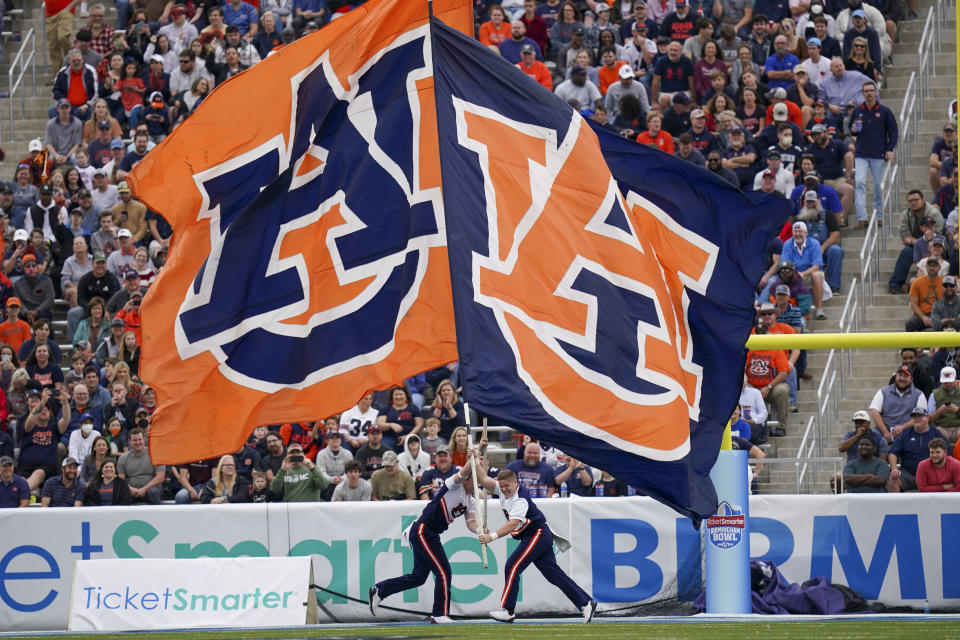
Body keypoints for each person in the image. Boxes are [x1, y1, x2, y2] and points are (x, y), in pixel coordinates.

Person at [370, 450, 485, 624]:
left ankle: (380, 590)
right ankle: (439, 613)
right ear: (468, 479)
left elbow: (471, 522)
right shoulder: (454, 485)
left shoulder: (471, 500)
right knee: (444, 572)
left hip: (431, 533)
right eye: (475, 482)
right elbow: (463, 472)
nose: (477, 486)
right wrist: (473, 456)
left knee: (418, 577)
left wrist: (480, 531)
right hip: (423, 530)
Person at [481, 468, 597, 624]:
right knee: (553, 575)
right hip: (536, 535)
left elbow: (512, 524)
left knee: (512, 566)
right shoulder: (504, 489)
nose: (503, 490)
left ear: (516, 483)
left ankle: (508, 611)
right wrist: (475, 457)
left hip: (537, 535)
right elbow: (482, 479)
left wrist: (491, 536)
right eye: (500, 486)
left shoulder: (520, 499)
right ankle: (585, 603)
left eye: (506, 486)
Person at [850, 80, 897, 228]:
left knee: (878, 186)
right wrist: (853, 130)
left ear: (876, 92)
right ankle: (862, 217)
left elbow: (893, 132)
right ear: (863, 94)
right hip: (861, 154)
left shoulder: (884, 111)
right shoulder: (857, 111)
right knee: (859, 182)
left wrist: (890, 148)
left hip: (878, 154)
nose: (869, 93)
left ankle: (880, 216)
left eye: (871, 90)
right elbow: (852, 130)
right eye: (866, 91)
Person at [744, 318, 790, 435]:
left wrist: (768, 387)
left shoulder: (775, 348)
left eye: (762, 334)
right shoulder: (748, 347)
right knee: (741, 387)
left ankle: (781, 426)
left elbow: (783, 372)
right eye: (757, 334)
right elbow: (741, 369)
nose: (760, 336)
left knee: (783, 390)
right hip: (751, 385)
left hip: (771, 388)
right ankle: (747, 424)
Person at [19, 388, 71, 491]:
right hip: (25, 467)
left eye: (46, 410)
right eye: (41, 409)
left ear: (50, 413)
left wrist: (65, 402)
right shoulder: (29, 427)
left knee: (39, 473)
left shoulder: (54, 428)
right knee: (19, 480)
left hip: (46, 469)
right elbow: (30, 421)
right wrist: (42, 402)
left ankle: (20, 494)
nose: (43, 411)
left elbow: (66, 420)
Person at [887, 406, 947, 493]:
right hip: (908, 474)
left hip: (931, 474)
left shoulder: (936, 434)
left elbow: (947, 453)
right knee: (893, 479)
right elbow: (893, 452)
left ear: (928, 418)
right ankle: (895, 506)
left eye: (920, 416)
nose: (917, 418)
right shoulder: (905, 434)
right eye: (915, 416)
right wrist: (894, 469)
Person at [117, 427, 165, 504]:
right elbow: (120, 479)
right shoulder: (123, 458)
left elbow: (161, 477)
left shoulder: (155, 454)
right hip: (131, 489)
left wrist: (144, 489)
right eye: (135, 440)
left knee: (153, 492)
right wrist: (131, 489)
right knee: (122, 492)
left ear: (144, 440)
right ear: (129, 442)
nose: (138, 442)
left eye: (140, 439)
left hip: (151, 488)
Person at [905, 258, 944, 332]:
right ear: (926, 267)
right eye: (930, 265)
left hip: (940, 315)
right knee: (910, 324)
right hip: (922, 314)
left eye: (934, 265)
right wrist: (923, 317)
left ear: (939, 267)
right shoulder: (917, 282)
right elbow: (913, 304)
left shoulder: (944, 283)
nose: (932, 268)